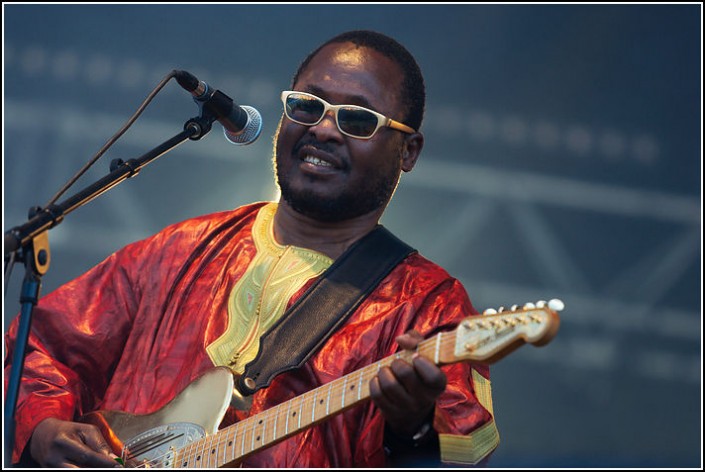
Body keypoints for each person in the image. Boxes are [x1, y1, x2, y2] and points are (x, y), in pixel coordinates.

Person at [4, 30, 499, 467]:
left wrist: (410, 429)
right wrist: (45, 429)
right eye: (308, 106)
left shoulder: (429, 306)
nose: (323, 129)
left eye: (356, 118)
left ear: (407, 151)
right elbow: (38, 346)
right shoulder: (180, 249)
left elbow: (459, 453)